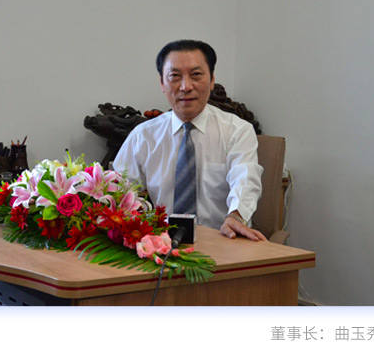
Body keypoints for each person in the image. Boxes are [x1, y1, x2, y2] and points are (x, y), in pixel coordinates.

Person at [113, 39, 267, 241]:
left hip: (223, 239)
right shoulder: (143, 136)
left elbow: (245, 179)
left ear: (212, 80)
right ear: (162, 83)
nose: (186, 86)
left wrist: (235, 216)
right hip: (161, 243)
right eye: (175, 76)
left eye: (196, 75)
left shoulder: (237, 131)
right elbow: (119, 190)